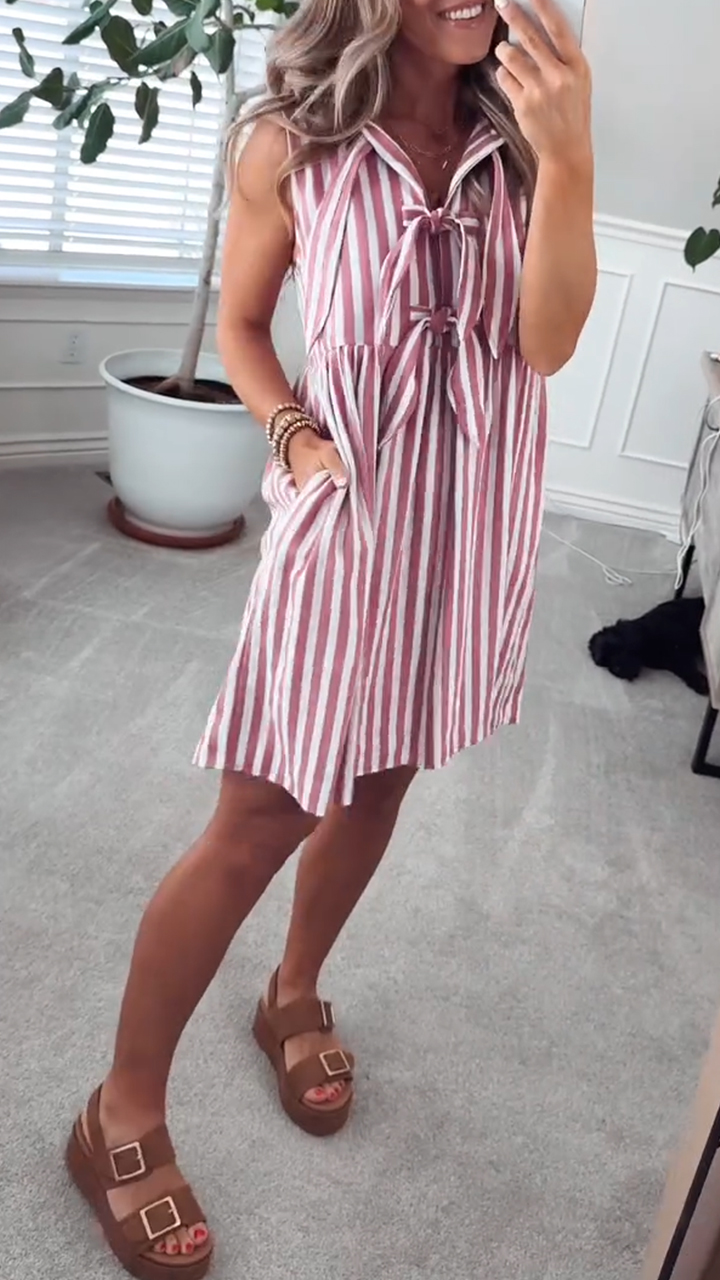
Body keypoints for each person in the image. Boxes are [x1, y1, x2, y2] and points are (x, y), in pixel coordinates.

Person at [66, 0, 595, 1274]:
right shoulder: (290, 143)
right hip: (344, 521)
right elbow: (244, 329)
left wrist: (572, 156)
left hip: (466, 531)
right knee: (261, 814)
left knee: (382, 774)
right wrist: (296, 437)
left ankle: (292, 988)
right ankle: (118, 1110)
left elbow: (546, 344)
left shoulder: (531, 141)